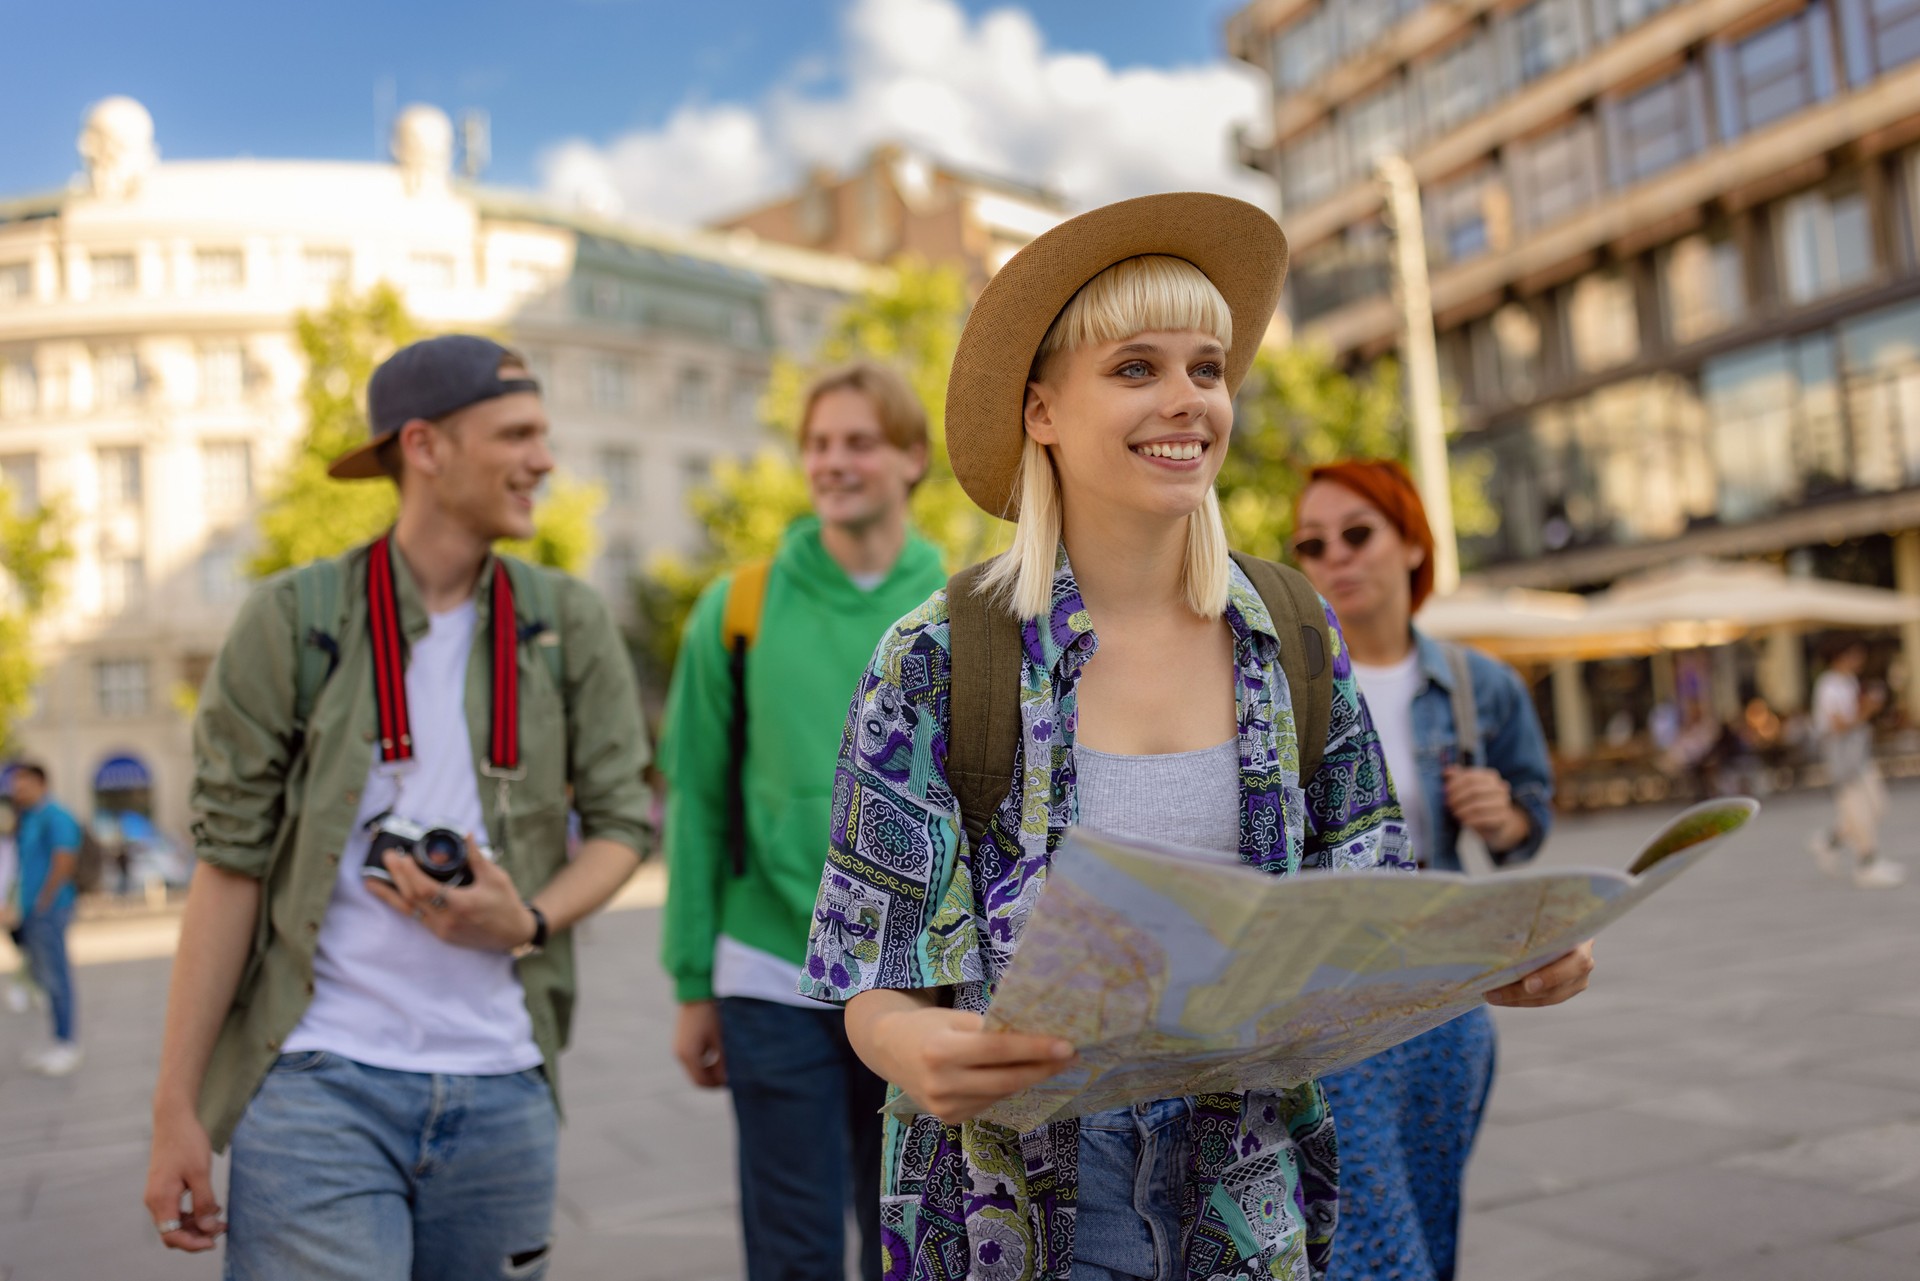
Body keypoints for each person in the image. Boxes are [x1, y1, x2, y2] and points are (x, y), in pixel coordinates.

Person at [798, 194, 1594, 1281]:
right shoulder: (935, 657)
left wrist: (1495, 955)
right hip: (1011, 1212)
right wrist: (905, 1045)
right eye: (1137, 369)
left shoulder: (1295, 633)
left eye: (1208, 368)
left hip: (1243, 1196)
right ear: (1041, 410)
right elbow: (872, 963)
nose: (1189, 401)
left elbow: (1374, 904)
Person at [143, 335, 653, 1277]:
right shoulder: (291, 621)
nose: (545, 459)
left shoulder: (567, 620)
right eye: (517, 434)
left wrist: (529, 917)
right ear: (424, 447)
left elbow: (626, 824)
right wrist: (176, 1105)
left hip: (505, 1088)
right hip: (314, 1089)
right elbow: (229, 866)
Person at [660, 361, 947, 1281]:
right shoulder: (735, 611)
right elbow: (697, 800)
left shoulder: (963, 602)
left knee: (906, 1242)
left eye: (858, 441)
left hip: (913, 978)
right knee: (794, 1250)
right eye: (818, 443)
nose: (832, 461)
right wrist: (691, 980)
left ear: (911, 457)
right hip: (768, 973)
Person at [1293, 460, 1585, 1281]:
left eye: (1359, 534)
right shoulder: (1287, 686)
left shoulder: (1474, 685)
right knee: (1374, 1248)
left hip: (1445, 1003)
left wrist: (1507, 813)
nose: (1336, 559)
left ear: (1414, 543)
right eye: (1313, 545)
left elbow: (1528, 826)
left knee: (1428, 1224)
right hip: (1332, 1005)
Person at [9, 763, 85, 1076]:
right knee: (44, 977)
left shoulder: (56, 816)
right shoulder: (29, 819)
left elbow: (64, 859)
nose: (17, 790)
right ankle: (57, 1040)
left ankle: (67, 1043)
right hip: (32, 911)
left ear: (40, 782)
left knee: (56, 977)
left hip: (50, 911)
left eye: (22, 784)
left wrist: (44, 900)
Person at [1810, 641, 1905, 888]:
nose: (1859, 660)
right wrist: (1867, 708)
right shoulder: (1828, 685)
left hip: (1859, 753)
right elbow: (1838, 726)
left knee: (1877, 806)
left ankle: (1830, 842)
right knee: (1858, 810)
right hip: (1841, 756)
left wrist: (1867, 709)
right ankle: (1867, 863)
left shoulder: (1848, 682)